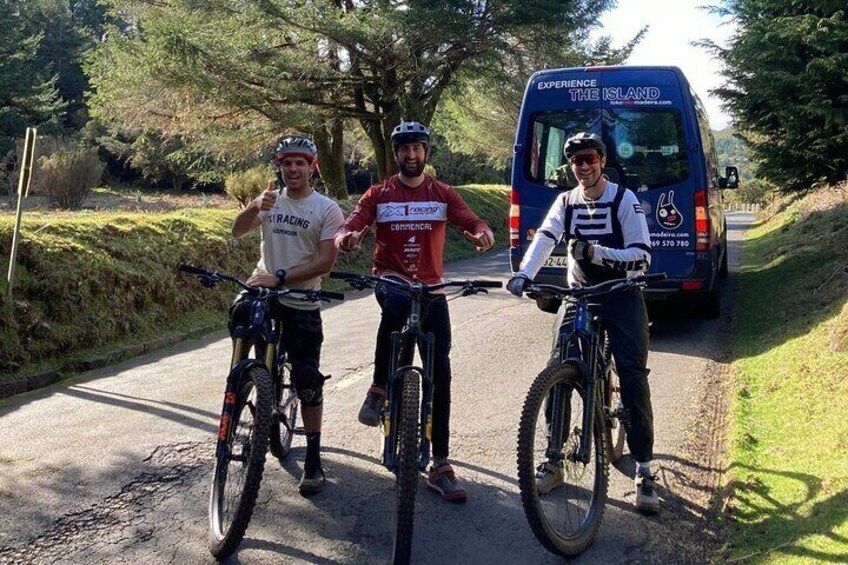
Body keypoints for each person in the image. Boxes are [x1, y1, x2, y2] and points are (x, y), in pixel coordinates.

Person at [335, 121, 494, 502]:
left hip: (433, 290)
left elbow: (470, 220)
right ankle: (377, 389)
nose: (411, 155)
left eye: (417, 148)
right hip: (392, 281)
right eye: (404, 149)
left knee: (440, 372)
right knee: (398, 301)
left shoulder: (442, 193)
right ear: (395, 154)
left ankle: (440, 464)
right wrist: (348, 238)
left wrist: (481, 233)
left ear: (426, 151)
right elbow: (350, 225)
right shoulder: (378, 194)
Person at [506, 132, 660, 513]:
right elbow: (545, 236)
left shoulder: (624, 200)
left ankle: (643, 468)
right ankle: (554, 458)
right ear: (570, 166)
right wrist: (525, 273)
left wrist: (595, 251)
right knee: (557, 371)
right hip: (581, 296)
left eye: (590, 158)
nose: (584, 166)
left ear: (602, 160)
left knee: (634, 376)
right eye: (576, 161)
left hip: (622, 295)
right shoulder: (566, 202)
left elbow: (642, 257)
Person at [231, 135, 344, 495]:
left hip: (301, 298)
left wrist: (280, 277)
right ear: (279, 166)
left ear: (312, 167)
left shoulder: (326, 208)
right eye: (286, 163)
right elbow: (237, 230)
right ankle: (242, 388)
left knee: (308, 377)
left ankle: (312, 456)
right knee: (239, 315)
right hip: (263, 291)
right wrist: (254, 206)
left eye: (300, 163)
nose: (293, 169)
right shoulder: (269, 200)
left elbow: (326, 261)